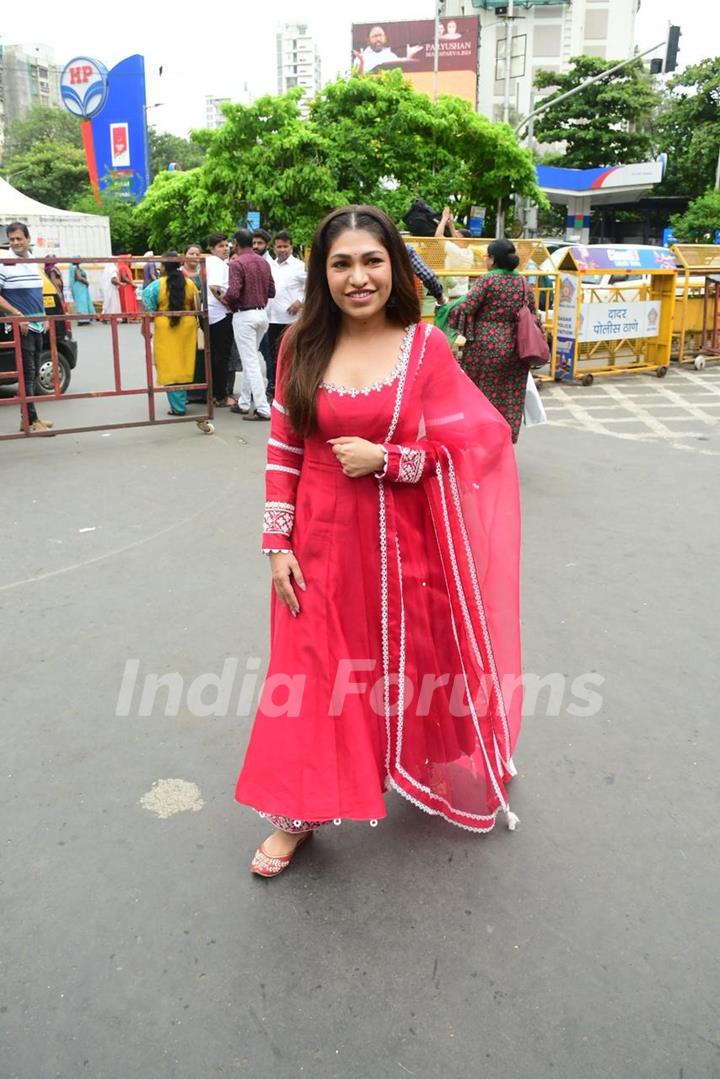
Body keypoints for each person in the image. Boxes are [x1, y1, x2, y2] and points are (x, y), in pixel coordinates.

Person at [235, 204, 523, 877]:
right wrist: (277, 541)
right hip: (318, 540)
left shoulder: (425, 346)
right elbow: (284, 447)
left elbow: (471, 442)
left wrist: (390, 460)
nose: (357, 277)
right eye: (341, 263)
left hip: (400, 542)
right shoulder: (299, 343)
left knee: (401, 664)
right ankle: (296, 813)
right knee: (308, 675)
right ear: (321, 272)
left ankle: (407, 760)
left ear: (394, 266)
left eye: (371, 261)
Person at [448, 238, 533, 443]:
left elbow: (466, 308)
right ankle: (503, 437)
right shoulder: (522, 282)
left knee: (480, 393)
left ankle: (480, 438)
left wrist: (447, 311)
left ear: (493, 259)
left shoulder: (488, 280)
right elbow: (532, 312)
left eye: (487, 256)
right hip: (516, 348)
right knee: (510, 394)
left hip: (484, 348)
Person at [0, 221, 53, 432]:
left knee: (31, 373)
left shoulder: (33, 261)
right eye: (11, 239)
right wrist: (17, 315)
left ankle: (30, 418)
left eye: (19, 238)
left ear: (28, 239)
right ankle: (31, 421)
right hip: (21, 326)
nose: (15, 243)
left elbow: (36, 293)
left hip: (38, 324)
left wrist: (46, 316)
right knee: (27, 373)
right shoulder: (4, 263)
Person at [224, 228, 275, 421]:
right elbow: (272, 291)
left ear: (236, 243)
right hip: (262, 315)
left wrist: (224, 298)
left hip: (244, 316)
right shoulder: (263, 262)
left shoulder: (237, 263)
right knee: (251, 359)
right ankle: (244, 402)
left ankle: (263, 408)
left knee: (251, 362)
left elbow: (234, 292)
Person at [141, 251, 199, 416]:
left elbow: (147, 309)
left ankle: (178, 406)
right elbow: (196, 307)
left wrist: (144, 331)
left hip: (165, 327)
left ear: (164, 267)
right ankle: (182, 399)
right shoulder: (190, 284)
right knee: (184, 362)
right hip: (187, 327)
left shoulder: (155, 286)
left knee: (169, 365)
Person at [265, 231, 306, 400]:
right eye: (279, 246)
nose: (282, 249)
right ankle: (275, 388)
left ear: (291, 247)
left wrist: (300, 301)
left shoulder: (299, 266)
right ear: (274, 248)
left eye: (285, 246)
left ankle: (293, 389)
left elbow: (312, 288)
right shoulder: (270, 265)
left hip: (292, 320)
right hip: (271, 318)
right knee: (274, 356)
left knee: (292, 355)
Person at [205, 232, 236, 407]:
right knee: (221, 357)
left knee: (214, 355)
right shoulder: (217, 264)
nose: (225, 249)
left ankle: (214, 392)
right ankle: (220, 395)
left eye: (226, 245)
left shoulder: (210, 262)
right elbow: (215, 287)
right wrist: (229, 304)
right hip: (219, 315)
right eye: (221, 246)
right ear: (212, 248)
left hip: (211, 314)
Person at [69, 259, 94, 324]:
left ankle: (85, 319)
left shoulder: (75, 267)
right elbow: (79, 277)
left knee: (82, 302)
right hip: (79, 287)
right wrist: (86, 282)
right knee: (82, 303)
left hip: (80, 287)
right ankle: (83, 320)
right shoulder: (75, 267)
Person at [116, 255, 139, 320]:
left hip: (126, 287)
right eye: (129, 259)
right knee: (127, 302)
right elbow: (124, 277)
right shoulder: (123, 267)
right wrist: (132, 283)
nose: (130, 261)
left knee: (127, 302)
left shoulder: (123, 266)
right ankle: (128, 317)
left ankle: (128, 317)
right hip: (126, 288)